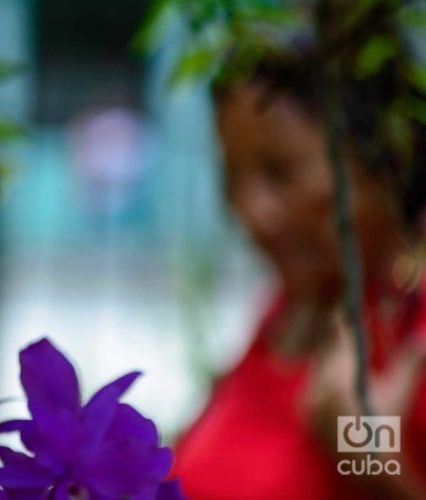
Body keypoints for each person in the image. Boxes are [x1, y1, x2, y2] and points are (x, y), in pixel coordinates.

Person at [168, 5, 426, 498]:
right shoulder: (293, 310)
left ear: (386, 159)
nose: (249, 211)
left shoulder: (408, 339)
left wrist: (370, 465)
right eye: (230, 176)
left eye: (280, 172)